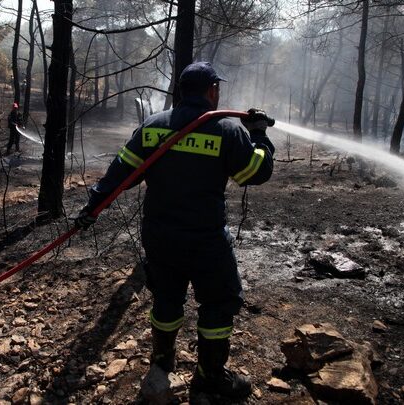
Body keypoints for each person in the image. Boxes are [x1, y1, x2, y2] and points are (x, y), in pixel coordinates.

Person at [75, 61, 275, 399]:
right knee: (219, 303)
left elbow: (121, 174)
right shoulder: (228, 131)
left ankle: (161, 363)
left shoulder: (153, 127)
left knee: (167, 299)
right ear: (212, 91)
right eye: (217, 88)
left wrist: (91, 209)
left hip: (160, 237)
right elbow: (254, 173)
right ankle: (209, 378)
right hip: (206, 240)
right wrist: (258, 134)